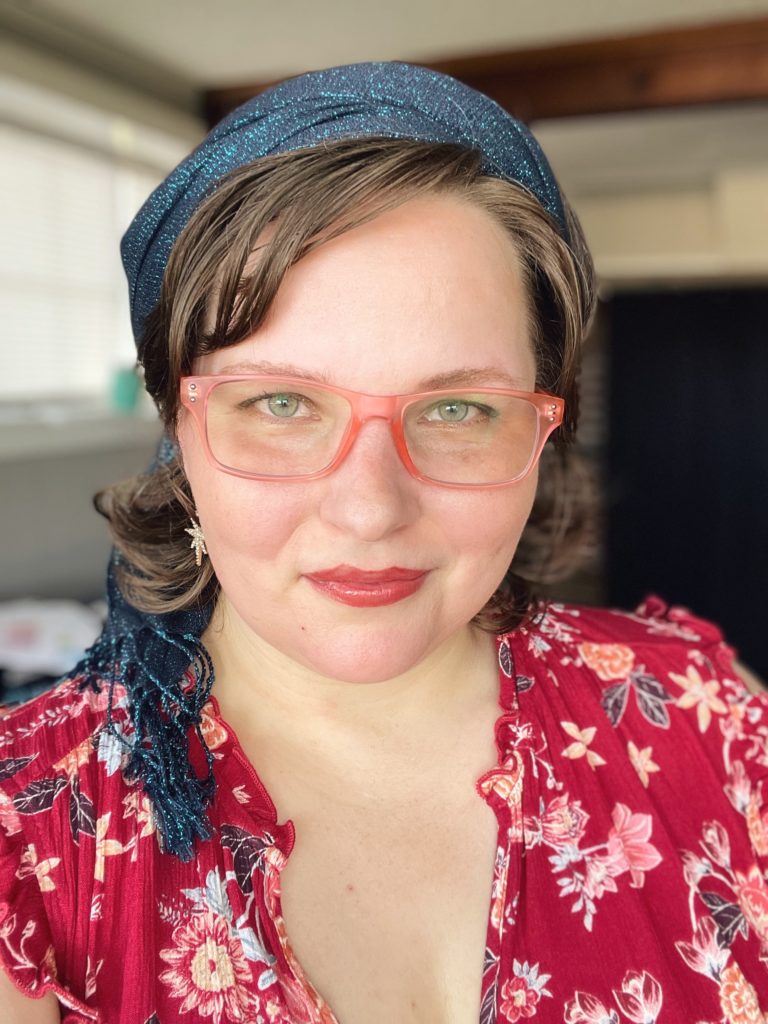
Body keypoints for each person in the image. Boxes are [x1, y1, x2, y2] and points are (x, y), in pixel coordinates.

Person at [0, 61, 766, 1024]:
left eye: (455, 407)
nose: (369, 511)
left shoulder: (703, 720)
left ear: (543, 429)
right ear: (179, 430)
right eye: (280, 403)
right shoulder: (27, 847)